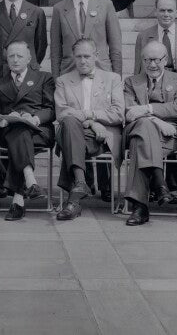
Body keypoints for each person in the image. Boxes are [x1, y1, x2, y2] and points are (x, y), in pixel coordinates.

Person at [54, 39, 124, 221]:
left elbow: (118, 113)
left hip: (102, 136)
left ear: (96, 56)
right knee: (69, 123)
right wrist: (92, 122)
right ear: (73, 58)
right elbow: (61, 113)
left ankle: (75, 194)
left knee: (71, 137)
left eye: (87, 56)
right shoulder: (63, 81)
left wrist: (89, 116)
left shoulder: (112, 79)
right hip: (78, 131)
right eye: (78, 57)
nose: (83, 61)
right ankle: (79, 185)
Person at [0, 41, 55, 221]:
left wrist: (34, 118)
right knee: (19, 129)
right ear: (6, 58)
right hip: (8, 131)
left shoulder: (44, 77)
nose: (15, 60)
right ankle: (29, 183)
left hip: (39, 131)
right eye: (11, 56)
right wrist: (3, 119)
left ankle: (20, 196)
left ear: (29, 58)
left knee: (21, 133)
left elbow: (50, 109)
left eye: (19, 56)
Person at [122, 41, 177, 226]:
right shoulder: (130, 82)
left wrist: (147, 108)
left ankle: (139, 207)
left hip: (170, 135)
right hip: (142, 128)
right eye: (147, 60)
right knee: (143, 128)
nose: (152, 65)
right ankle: (160, 183)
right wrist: (156, 120)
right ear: (142, 60)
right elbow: (129, 111)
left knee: (138, 143)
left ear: (165, 59)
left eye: (156, 60)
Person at [51, 0, 122, 77]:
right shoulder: (59, 9)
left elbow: (116, 47)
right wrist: (56, 78)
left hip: (101, 72)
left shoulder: (106, 6)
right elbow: (55, 51)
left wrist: (117, 77)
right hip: (69, 72)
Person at [134, 0, 177, 79]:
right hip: (153, 81)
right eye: (162, 10)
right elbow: (138, 68)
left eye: (170, 11)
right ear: (155, 12)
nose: (166, 14)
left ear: (176, 13)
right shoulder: (143, 36)